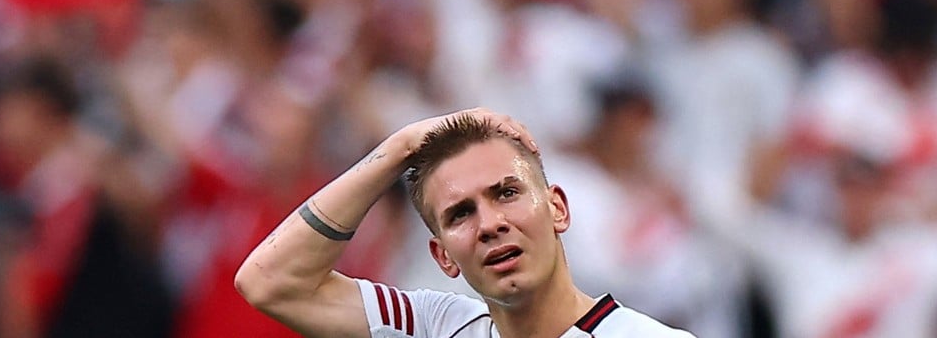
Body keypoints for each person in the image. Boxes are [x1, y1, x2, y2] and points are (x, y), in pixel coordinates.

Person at [235, 108, 696, 338]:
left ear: (557, 208)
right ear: (443, 257)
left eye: (507, 193)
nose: (490, 224)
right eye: (461, 214)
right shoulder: (438, 326)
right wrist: (400, 147)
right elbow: (270, 282)